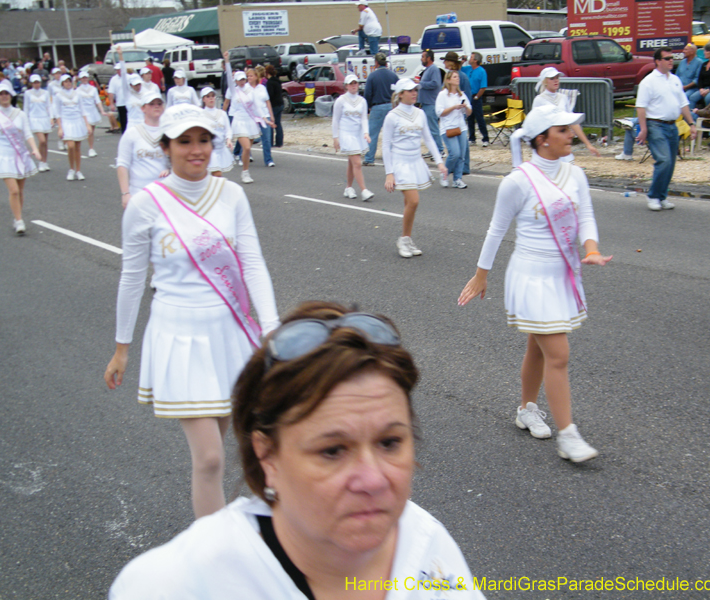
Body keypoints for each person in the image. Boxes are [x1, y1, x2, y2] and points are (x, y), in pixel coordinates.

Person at [109, 301, 487, 600]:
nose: (373, 479)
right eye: (333, 450)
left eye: (390, 443)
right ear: (267, 455)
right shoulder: (175, 585)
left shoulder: (427, 544)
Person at [104, 104, 281, 520]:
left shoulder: (231, 194)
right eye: (184, 141)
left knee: (227, 446)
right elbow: (132, 279)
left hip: (230, 334)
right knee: (209, 460)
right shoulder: (146, 205)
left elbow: (252, 263)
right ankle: (212, 559)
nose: (196, 150)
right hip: (179, 336)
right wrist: (121, 347)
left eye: (203, 140)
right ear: (166, 147)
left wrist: (271, 328)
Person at [458, 104, 611, 462]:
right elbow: (497, 229)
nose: (571, 134)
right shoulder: (518, 181)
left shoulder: (575, 174)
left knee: (537, 347)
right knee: (558, 354)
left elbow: (586, 216)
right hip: (529, 276)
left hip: (562, 274)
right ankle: (569, 435)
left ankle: (527, 408)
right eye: (563, 130)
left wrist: (591, 249)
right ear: (542, 139)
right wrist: (482, 274)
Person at [382, 78, 447, 258]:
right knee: (414, 201)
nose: (414, 93)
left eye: (415, 90)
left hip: (416, 161)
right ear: (400, 94)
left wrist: (439, 162)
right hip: (400, 163)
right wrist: (389, 173)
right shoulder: (392, 116)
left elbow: (428, 139)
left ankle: (407, 238)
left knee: (409, 203)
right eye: (410, 90)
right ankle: (403, 239)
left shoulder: (420, 113)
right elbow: (386, 146)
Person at [635, 47, 697, 211]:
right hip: (655, 125)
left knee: (671, 163)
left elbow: (683, 104)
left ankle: (662, 196)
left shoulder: (675, 80)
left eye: (671, 58)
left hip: (672, 125)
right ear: (658, 61)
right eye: (667, 58)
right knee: (664, 160)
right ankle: (653, 195)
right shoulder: (648, 82)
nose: (671, 60)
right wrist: (643, 129)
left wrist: (691, 124)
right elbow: (641, 107)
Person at [0, 79, 41, 235]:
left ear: (11, 95)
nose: (4, 96)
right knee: (13, 190)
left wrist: (35, 149)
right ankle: (19, 220)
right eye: (1, 94)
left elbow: (28, 133)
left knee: (20, 190)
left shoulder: (20, 114)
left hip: (20, 155)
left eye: (6, 93)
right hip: (4, 156)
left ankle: (16, 216)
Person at [223, 51, 276, 183]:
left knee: (247, 149)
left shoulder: (250, 90)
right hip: (239, 121)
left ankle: (244, 170)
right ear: (235, 80)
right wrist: (227, 61)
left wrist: (265, 119)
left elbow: (257, 107)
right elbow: (229, 77)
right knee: (246, 147)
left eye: (243, 79)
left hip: (250, 122)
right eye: (239, 79)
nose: (241, 82)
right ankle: (245, 173)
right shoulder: (233, 90)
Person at [532, 67, 600, 161]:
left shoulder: (563, 97)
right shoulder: (539, 100)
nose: (556, 81)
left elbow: (573, 122)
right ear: (545, 81)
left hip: (561, 142)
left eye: (557, 78)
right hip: (548, 143)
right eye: (552, 78)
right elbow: (534, 124)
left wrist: (588, 144)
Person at [116, 89, 168, 207]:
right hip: (139, 193)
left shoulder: (169, 133)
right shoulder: (132, 134)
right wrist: (125, 193)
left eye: (159, 104)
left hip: (164, 192)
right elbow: (122, 164)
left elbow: (177, 161)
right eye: (152, 104)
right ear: (143, 108)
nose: (156, 107)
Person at [332, 73, 373, 201]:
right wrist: (335, 137)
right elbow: (335, 119)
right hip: (346, 133)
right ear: (346, 86)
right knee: (357, 163)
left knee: (352, 163)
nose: (354, 86)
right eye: (351, 83)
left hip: (358, 134)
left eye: (355, 83)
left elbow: (364, 119)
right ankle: (364, 190)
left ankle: (348, 187)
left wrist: (366, 133)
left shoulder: (362, 101)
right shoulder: (341, 100)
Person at [435, 69, 471, 189]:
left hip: (461, 126)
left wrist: (465, 107)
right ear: (449, 80)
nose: (457, 79)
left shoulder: (461, 95)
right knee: (454, 153)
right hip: (448, 127)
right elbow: (439, 112)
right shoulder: (442, 95)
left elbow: (469, 112)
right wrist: (454, 107)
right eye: (455, 77)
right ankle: (444, 173)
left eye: (458, 77)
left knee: (461, 154)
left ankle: (457, 179)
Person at [362, 51, 397, 166]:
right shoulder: (393, 75)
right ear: (385, 63)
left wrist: (368, 107)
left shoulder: (372, 76)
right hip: (391, 107)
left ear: (376, 63)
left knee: (372, 134)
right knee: (391, 135)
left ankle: (369, 158)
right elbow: (398, 91)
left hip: (377, 107)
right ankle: (392, 159)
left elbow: (367, 93)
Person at [53, 73, 90, 181]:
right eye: (66, 82)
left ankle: (78, 170)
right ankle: (71, 169)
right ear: (62, 83)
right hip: (66, 122)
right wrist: (60, 127)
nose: (68, 83)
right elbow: (58, 113)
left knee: (77, 147)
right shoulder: (58, 95)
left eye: (69, 81)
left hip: (77, 121)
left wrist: (87, 124)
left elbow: (82, 110)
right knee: (70, 146)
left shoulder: (77, 94)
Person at [443, 51, 472, 176]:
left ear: (450, 62)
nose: (443, 62)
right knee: (458, 143)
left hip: (458, 114)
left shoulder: (460, 77)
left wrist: (464, 110)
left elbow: (466, 96)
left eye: (445, 60)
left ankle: (463, 167)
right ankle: (460, 167)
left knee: (462, 143)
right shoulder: (458, 76)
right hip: (452, 116)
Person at [199, 85, 234, 177]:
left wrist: (228, 139)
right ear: (203, 99)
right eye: (208, 96)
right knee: (217, 173)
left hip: (221, 148)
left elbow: (228, 129)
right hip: (209, 149)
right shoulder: (201, 115)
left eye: (212, 96)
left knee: (216, 175)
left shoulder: (222, 113)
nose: (211, 99)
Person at [22, 74, 52, 172]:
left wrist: (51, 117)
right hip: (34, 119)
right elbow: (26, 107)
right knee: (42, 140)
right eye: (34, 82)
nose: (36, 84)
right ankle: (40, 161)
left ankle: (44, 161)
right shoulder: (27, 93)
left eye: (38, 82)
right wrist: (25, 120)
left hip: (45, 118)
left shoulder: (45, 93)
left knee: (45, 142)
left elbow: (49, 106)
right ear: (31, 83)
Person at [417, 49, 444, 157]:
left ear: (429, 58)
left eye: (423, 57)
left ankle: (440, 150)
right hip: (425, 103)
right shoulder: (428, 69)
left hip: (431, 104)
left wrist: (421, 83)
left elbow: (435, 84)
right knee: (428, 129)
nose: (421, 59)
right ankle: (433, 150)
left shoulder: (434, 69)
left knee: (433, 128)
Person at [462, 52, 489, 147]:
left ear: (475, 60)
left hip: (476, 96)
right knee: (469, 118)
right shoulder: (468, 69)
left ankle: (485, 138)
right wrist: (463, 60)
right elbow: (458, 69)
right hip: (468, 96)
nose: (470, 58)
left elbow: (483, 87)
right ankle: (472, 138)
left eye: (471, 57)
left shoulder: (481, 71)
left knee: (479, 118)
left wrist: (477, 97)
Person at [77, 70, 107, 157]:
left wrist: (102, 110)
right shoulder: (78, 90)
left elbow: (97, 101)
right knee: (88, 131)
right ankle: (84, 147)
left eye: (86, 77)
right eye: (83, 78)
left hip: (92, 111)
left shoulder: (93, 89)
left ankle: (91, 148)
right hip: (84, 112)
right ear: (80, 79)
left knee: (91, 131)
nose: (84, 79)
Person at [264, 65, 283, 147]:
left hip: (273, 105)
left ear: (267, 73)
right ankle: (279, 142)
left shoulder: (270, 83)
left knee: (271, 123)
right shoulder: (278, 81)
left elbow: (270, 95)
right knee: (278, 123)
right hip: (280, 103)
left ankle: (270, 142)